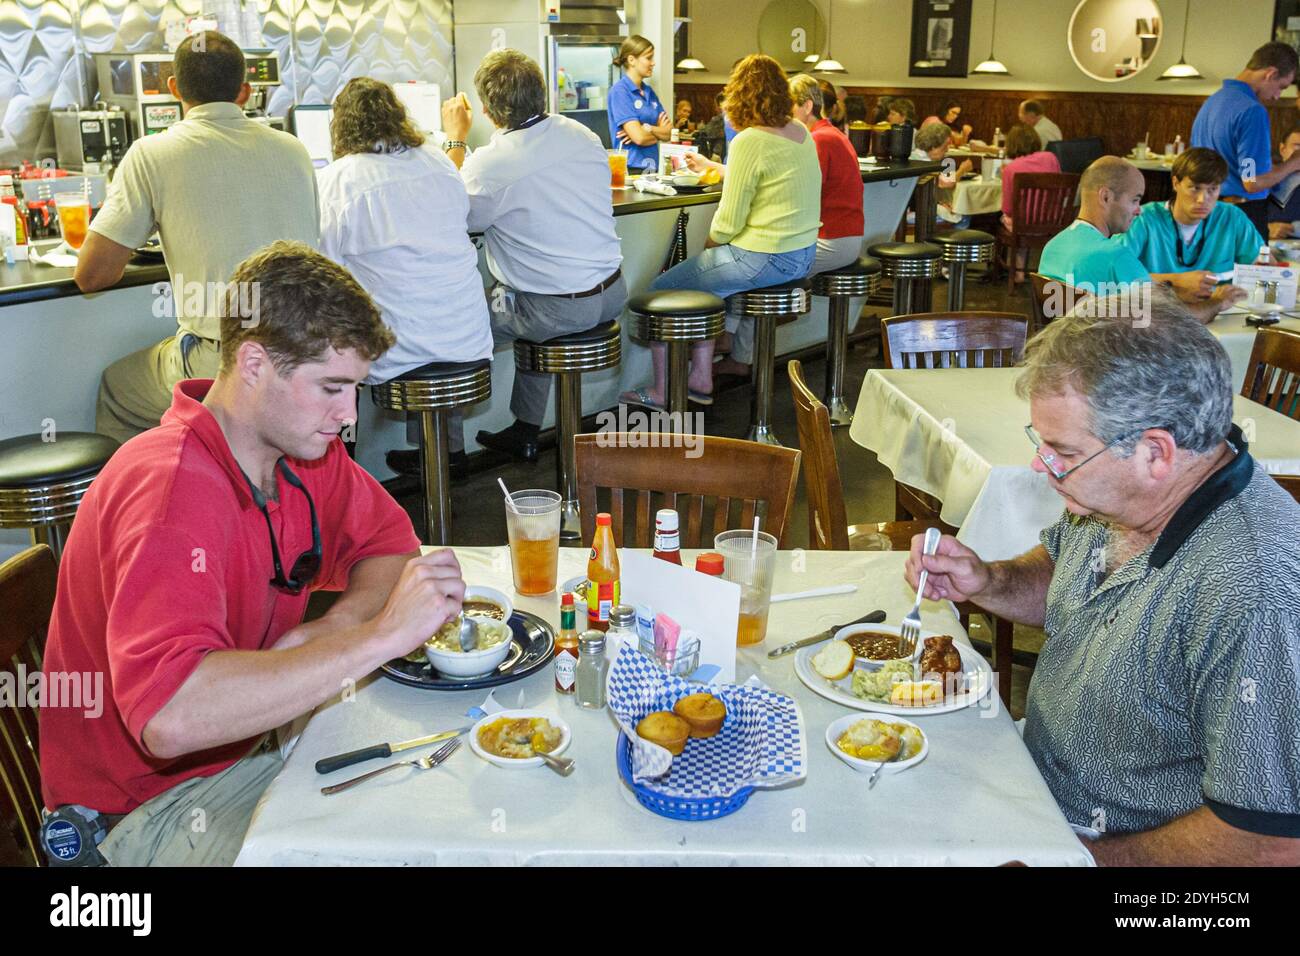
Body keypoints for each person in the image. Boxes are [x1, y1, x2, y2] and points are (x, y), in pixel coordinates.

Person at [39, 242, 466, 866]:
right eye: (331, 388)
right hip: (137, 819)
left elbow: (389, 546)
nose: (347, 417)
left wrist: (336, 628)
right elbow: (170, 714)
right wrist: (376, 640)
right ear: (256, 363)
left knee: (436, 806)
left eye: (355, 391)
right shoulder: (169, 491)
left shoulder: (297, 451)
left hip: (245, 753)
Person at [904, 296, 1300, 865]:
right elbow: (1064, 576)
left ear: (1155, 452)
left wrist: (1078, 861)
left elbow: (1269, 841)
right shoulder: (1113, 498)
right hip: (1034, 788)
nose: (1042, 466)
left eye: (1063, 451)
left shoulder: (1256, 592)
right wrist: (986, 580)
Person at [79, 32, 319, 445]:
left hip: (224, 358)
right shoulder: (294, 149)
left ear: (174, 88)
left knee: (118, 388)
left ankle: (175, 501)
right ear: (244, 91)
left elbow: (92, 275)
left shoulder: (152, 153)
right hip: (302, 347)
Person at [441, 50, 625, 462]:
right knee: (520, 289)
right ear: (541, 93)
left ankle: (445, 454)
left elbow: (447, 210)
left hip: (555, 308)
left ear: (487, 110)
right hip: (611, 293)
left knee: (451, 322)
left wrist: (454, 138)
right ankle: (525, 429)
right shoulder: (582, 134)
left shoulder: (491, 164)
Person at [619, 54, 820, 406]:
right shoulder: (801, 133)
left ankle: (663, 390)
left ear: (739, 96)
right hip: (801, 256)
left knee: (660, 290)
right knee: (710, 285)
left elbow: (727, 223)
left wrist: (710, 249)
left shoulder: (749, 141)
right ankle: (699, 378)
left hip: (762, 258)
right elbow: (771, 180)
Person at [316, 77, 492, 479]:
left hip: (398, 355)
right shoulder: (439, 162)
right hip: (469, 342)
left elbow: (324, 269)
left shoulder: (337, 180)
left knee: (325, 353)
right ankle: (446, 454)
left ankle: (338, 482)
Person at [1039, 157, 1243, 320]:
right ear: (1106, 197)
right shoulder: (1115, 257)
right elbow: (1172, 321)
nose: (1138, 210)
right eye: (1135, 199)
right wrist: (1217, 303)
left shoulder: (1052, 247)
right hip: (1109, 364)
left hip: (1066, 357)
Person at [1117, 147, 1265, 300]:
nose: (1202, 199)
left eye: (1212, 189)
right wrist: (1176, 281)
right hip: (1158, 312)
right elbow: (1113, 273)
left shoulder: (1231, 217)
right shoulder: (1144, 219)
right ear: (1176, 183)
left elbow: (1264, 266)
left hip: (1220, 311)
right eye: (1195, 188)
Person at [1192, 41, 1300, 240]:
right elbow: (1252, 181)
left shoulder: (1212, 101)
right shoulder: (1252, 111)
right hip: (1242, 214)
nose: (1277, 96)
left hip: (1204, 208)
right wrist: (1293, 163)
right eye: (1281, 87)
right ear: (1270, 73)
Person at [607, 35, 670, 174]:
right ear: (631, 60)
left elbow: (668, 133)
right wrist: (655, 131)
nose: (653, 63)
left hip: (653, 168)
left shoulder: (649, 92)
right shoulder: (620, 91)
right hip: (632, 169)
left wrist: (646, 128)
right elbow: (640, 138)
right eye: (648, 58)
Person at [910, 121, 972, 229]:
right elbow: (946, 184)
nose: (947, 149)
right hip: (916, 212)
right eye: (946, 146)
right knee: (964, 214)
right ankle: (950, 244)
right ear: (934, 146)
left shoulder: (913, 156)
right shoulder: (924, 163)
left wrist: (938, 204)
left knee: (953, 208)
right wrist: (962, 170)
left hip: (914, 207)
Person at [1000, 124, 1061, 226]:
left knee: (1001, 218)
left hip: (1023, 226)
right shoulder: (1051, 158)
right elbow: (1062, 193)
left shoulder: (1010, 169)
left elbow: (1008, 209)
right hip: (1053, 222)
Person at [1267, 125, 1300, 237]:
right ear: (1282, 149)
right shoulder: (1262, 181)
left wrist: (1294, 229)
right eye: (1297, 147)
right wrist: (1268, 228)